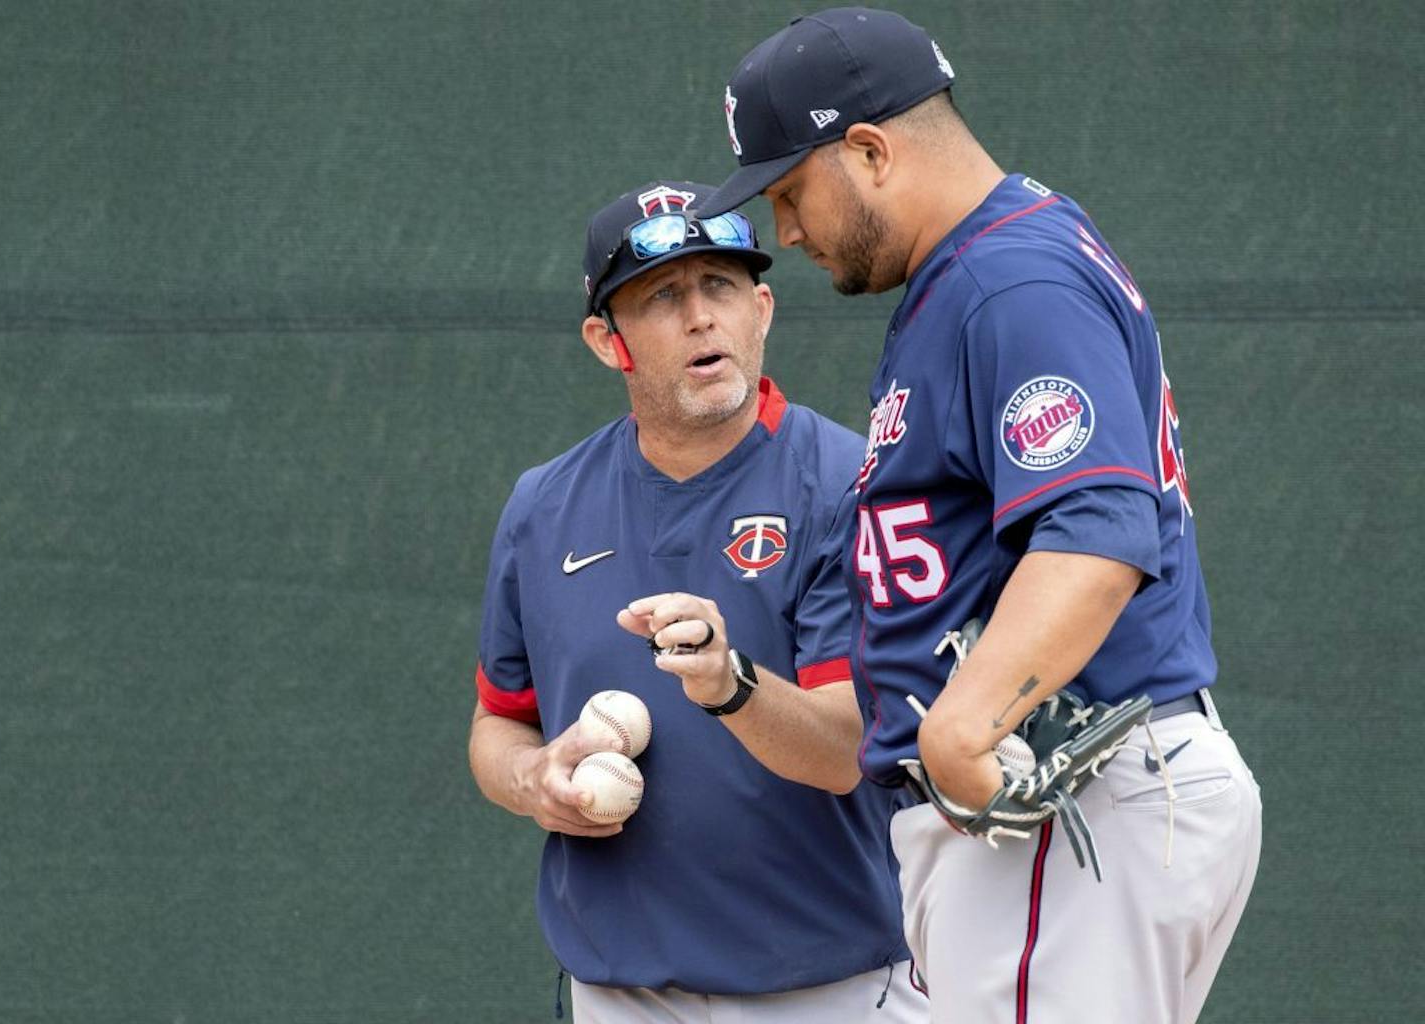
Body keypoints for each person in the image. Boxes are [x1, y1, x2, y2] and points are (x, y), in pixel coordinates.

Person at [693, 9, 1263, 1023]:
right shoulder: (977, 269)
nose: (783, 229)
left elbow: (1097, 530)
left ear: (867, 151)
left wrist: (966, 717)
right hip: (1049, 817)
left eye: (789, 191)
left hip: (1067, 799)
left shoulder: (1011, 280)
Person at [468, 179, 929, 1023]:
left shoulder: (851, 485)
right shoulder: (543, 505)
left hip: (829, 986)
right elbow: (499, 721)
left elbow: (846, 750)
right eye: (663, 297)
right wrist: (534, 780)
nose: (700, 317)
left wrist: (730, 683)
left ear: (761, 310)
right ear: (609, 343)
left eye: (720, 287)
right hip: (619, 991)